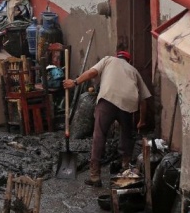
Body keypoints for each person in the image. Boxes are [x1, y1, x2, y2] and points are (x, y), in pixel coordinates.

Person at [63, 50, 152, 187]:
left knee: (99, 135)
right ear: (129, 61)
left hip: (108, 99)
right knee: (126, 135)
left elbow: (92, 73)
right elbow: (144, 100)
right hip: (128, 103)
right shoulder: (133, 70)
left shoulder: (108, 60)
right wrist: (142, 120)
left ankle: (95, 176)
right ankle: (125, 168)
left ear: (117, 57)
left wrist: (75, 82)